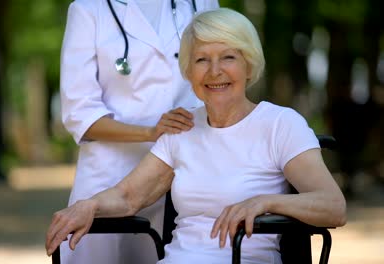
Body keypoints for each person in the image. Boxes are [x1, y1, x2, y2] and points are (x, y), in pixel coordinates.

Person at [48, 8, 347, 263]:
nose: (215, 71)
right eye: (202, 60)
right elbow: (129, 196)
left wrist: (267, 202)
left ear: (248, 65)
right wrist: (89, 205)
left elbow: (333, 207)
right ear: (189, 72)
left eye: (228, 57)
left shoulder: (280, 124)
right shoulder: (183, 126)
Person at [58, 0, 219, 263]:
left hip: (186, 169)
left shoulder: (200, 2)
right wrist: (150, 132)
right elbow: (79, 113)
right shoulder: (88, 9)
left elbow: (218, 72)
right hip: (109, 174)